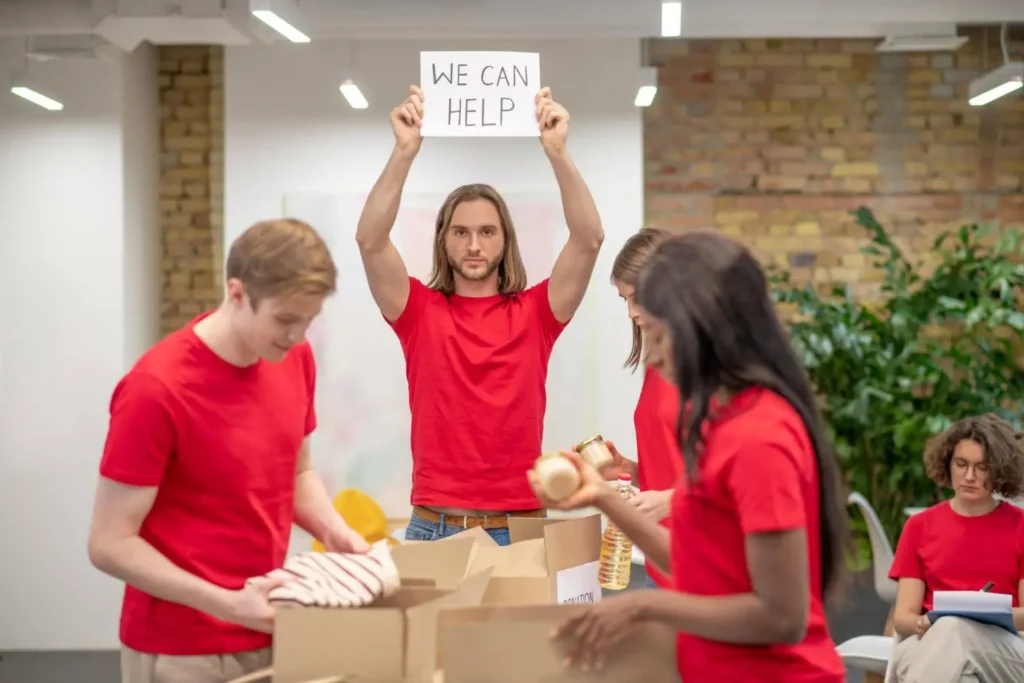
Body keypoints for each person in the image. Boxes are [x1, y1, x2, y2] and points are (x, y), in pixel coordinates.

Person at [529, 231, 850, 682]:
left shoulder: (760, 436)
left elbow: (781, 616)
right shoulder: (723, 426)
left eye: (659, 337)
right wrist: (602, 496)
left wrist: (643, 605)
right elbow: (693, 562)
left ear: (702, 329)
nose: (653, 359)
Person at [88, 219, 370, 683]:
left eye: (308, 320)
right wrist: (228, 604)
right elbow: (108, 543)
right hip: (182, 649)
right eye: (284, 319)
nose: (298, 336)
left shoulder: (293, 358)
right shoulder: (154, 390)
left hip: (270, 627)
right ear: (236, 293)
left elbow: (296, 474)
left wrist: (335, 530)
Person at [356, 85, 603, 546]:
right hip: (432, 526)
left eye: (487, 232)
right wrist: (404, 152)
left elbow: (588, 239)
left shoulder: (537, 314)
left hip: (521, 529)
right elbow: (370, 239)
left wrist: (557, 153)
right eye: (461, 232)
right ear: (444, 241)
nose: (474, 245)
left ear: (504, 240)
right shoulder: (417, 312)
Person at [888, 414, 1024, 683]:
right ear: (947, 464)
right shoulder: (919, 527)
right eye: (961, 464)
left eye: (982, 467)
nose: (969, 476)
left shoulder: (1021, 526)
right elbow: (903, 617)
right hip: (928, 641)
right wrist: (929, 622)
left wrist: (966, 617)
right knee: (961, 673)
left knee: (954, 629)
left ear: (998, 471)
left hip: (1004, 649)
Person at [597, 226, 682, 589]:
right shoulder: (656, 361)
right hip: (661, 567)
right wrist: (630, 468)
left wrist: (673, 501)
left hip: (707, 570)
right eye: (624, 301)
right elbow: (676, 459)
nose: (631, 313)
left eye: (637, 298)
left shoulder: (714, 366)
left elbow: (740, 478)